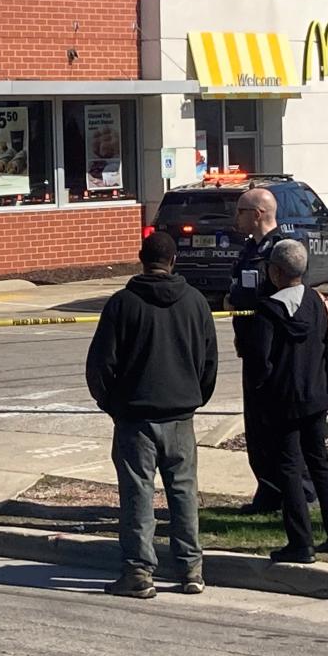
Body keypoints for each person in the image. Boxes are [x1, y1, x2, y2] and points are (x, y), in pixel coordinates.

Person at [86, 231, 218, 599]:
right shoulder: (195, 302)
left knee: (137, 494)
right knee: (183, 492)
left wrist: (111, 404)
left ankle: (138, 572)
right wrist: (195, 397)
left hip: (134, 418)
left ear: (141, 259)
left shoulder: (122, 304)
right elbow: (209, 360)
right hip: (180, 415)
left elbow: (100, 365)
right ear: (174, 260)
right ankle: (191, 568)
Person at [251, 240, 328, 564]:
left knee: (290, 469)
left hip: (283, 401)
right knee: (319, 462)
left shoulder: (268, 310)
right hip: (316, 396)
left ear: (276, 271)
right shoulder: (316, 301)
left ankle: (301, 542)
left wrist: (261, 390)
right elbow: (324, 342)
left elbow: (260, 361)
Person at [230, 186, 312, 513]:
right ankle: (268, 489)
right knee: (258, 426)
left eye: (240, 211)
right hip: (250, 347)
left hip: (276, 352)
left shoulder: (282, 249)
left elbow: (290, 296)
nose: (236, 217)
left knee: (283, 427)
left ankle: (299, 493)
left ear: (258, 213)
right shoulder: (250, 249)